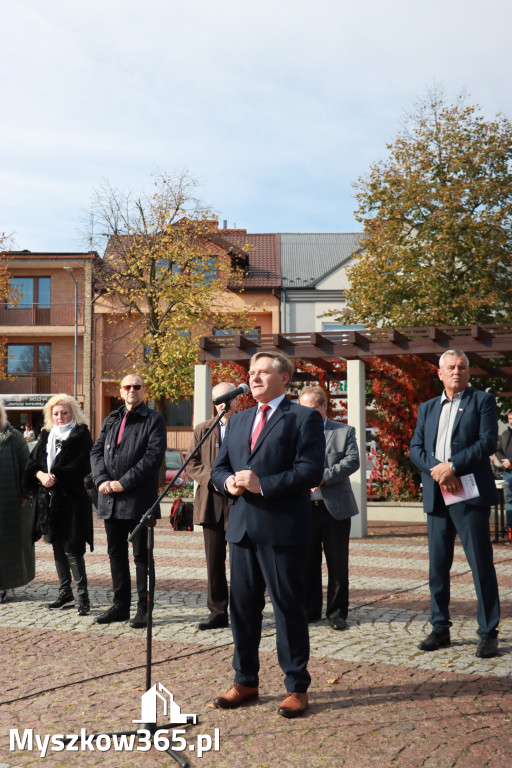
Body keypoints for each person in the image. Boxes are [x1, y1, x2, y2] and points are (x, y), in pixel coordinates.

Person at [211, 352, 325, 718]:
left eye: (262, 372)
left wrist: (263, 484)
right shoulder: (239, 418)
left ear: (284, 379)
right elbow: (219, 467)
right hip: (241, 529)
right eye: (251, 372)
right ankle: (245, 680)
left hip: (282, 530)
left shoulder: (303, 418)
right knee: (242, 609)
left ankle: (296, 686)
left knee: (287, 609)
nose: (254, 378)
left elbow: (309, 471)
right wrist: (226, 482)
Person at [410, 349, 500, 658]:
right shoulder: (427, 408)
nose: (456, 372)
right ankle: (440, 628)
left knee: (480, 565)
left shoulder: (482, 401)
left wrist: (453, 467)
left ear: (468, 371)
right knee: (437, 567)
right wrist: (439, 470)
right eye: (451, 367)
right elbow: (416, 448)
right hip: (437, 495)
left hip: (469, 495)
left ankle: (488, 632)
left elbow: (487, 442)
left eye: (462, 367)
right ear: (440, 373)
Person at [90, 373, 166, 629]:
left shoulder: (153, 419)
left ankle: (144, 609)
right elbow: (96, 451)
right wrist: (101, 480)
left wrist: (123, 482)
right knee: (115, 554)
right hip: (109, 499)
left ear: (144, 390)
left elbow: (152, 457)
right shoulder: (112, 418)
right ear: (120, 391)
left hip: (138, 500)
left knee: (142, 557)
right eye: (127, 387)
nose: (132, 390)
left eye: (137, 386)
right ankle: (120, 606)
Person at [24, 394, 93, 615]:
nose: (60, 417)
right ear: (50, 415)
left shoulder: (81, 435)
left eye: (64, 412)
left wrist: (56, 476)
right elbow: (32, 463)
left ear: (73, 412)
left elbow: (82, 466)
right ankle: (65, 591)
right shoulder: (46, 435)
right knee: (56, 545)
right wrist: (42, 475)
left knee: (72, 547)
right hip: (50, 501)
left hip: (72, 499)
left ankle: (83, 595)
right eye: (56, 413)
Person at [298, 385, 360, 630]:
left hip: (335, 508)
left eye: (313, 408)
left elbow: (352, 461)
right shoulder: (295, 434)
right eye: (303, 409)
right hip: (304, 508)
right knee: (307, 563)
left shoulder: (344, 431)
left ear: (325, 406)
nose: (308, 414)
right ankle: (310, 610)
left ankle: (336, 613)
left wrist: (322, 477)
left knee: (337, 564)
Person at [186, 381, 239, 630]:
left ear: (237, 400)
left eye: (228, 398)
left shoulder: (247, 425)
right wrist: (213, 480)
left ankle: (243, 612)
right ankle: (218, 613)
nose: (223, 404)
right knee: (214, 562)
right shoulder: (203, 429)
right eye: (218, 400)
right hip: (212, 501)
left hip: (241, 502)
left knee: (242, 561)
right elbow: (192, 463)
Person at [0, 400, 34, 604]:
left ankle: (3, 585)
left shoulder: (14, 438)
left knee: (6, 547)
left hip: (9, 504)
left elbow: (28, 470)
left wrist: (24, 496)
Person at [495, 408, 512, 537]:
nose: (511, 421)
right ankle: (509, 527)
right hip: (507, 473)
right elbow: (498, 449)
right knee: (508, 501)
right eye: (510, 419)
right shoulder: (505, 434)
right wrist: (503, 461)